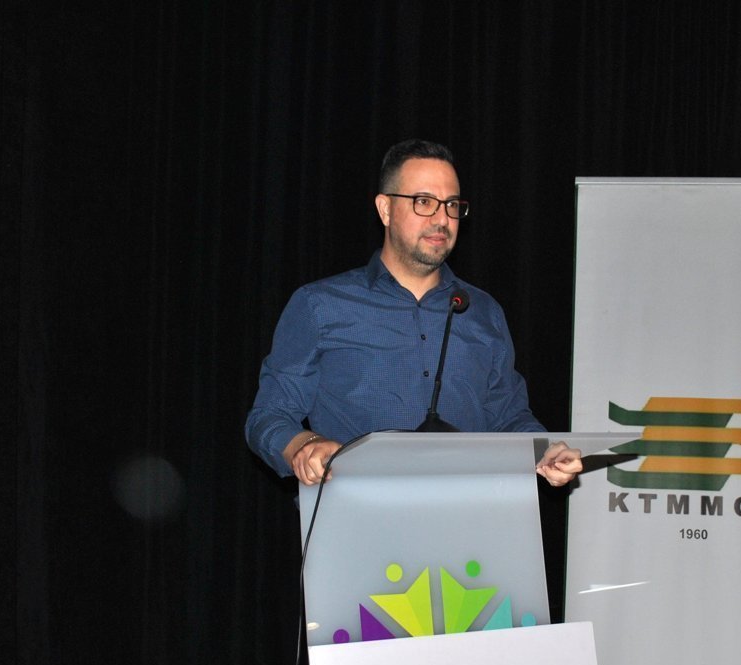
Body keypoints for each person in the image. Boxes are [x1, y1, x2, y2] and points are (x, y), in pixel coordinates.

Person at [245, 138, 582, 487]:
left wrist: (545, 451)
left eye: (452, 205)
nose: (442, 219)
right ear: (385, 209)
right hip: (357, 510)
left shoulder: (483, 312)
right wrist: (305, 445)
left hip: (470, 512)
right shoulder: (320, 305)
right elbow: (269, 416)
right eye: (424, 202)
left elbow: (508, 417)